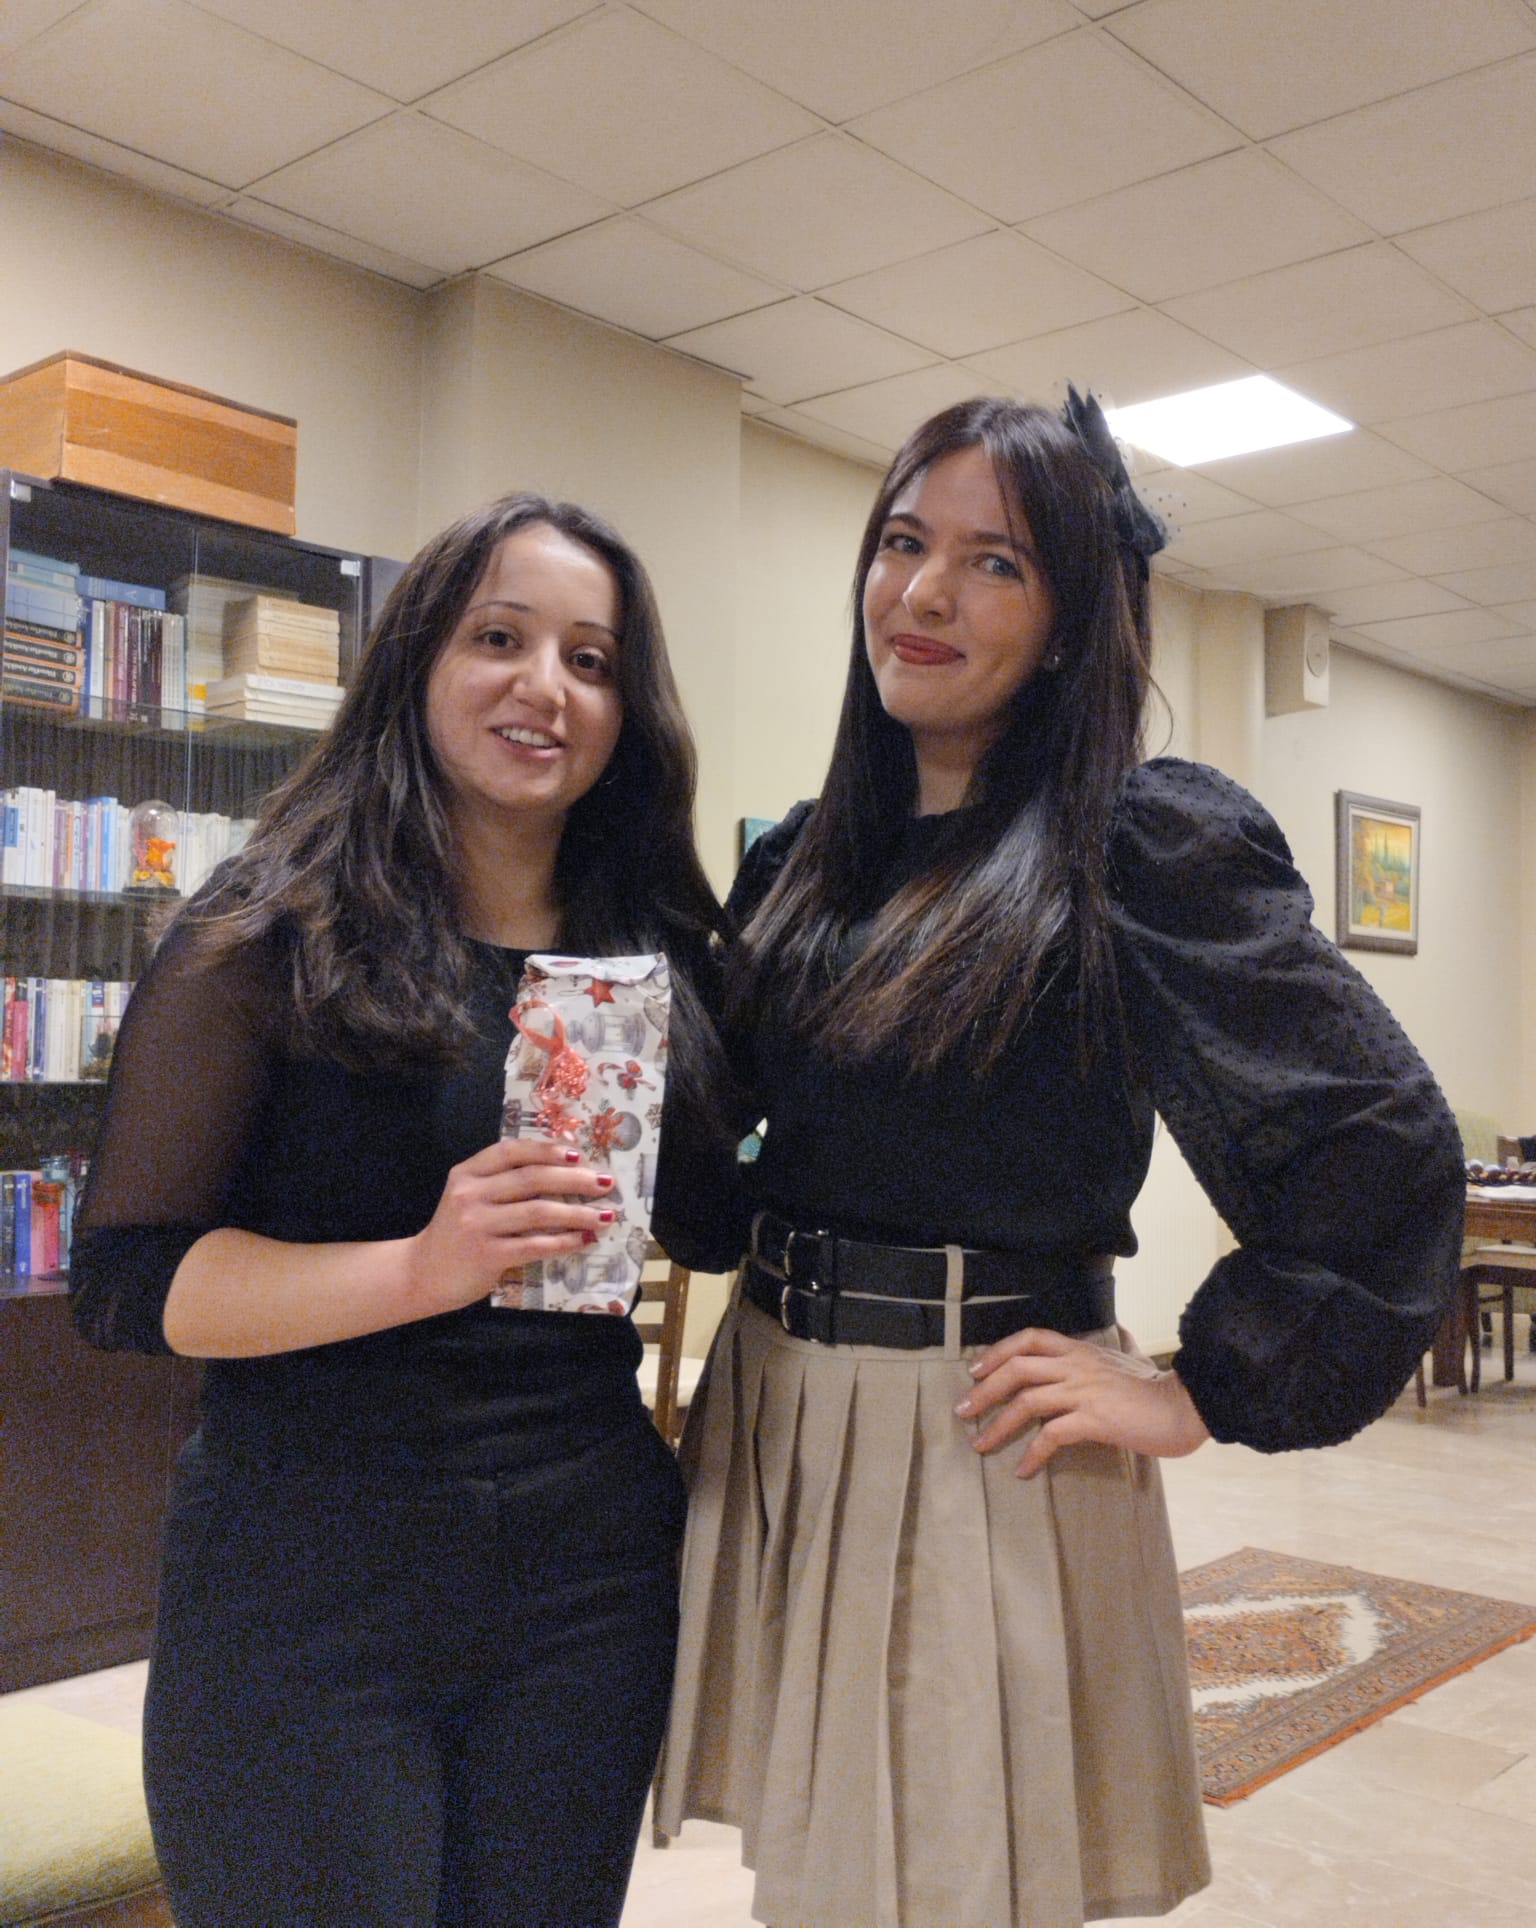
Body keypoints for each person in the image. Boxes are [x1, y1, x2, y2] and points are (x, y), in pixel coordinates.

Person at [653, 393, 1464, 1928]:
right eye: (904, 542)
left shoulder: (1135, 847)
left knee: (949, 1890)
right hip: (779, 1411)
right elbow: (730, 1157)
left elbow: (1383, 1140)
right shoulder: (804, 858)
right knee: (821, 1878)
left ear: (1074, 621)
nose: (924, 593)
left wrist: (1200, 1390)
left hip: (979, 1428)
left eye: (996, 563)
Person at [70, 493, 731, 1928]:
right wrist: (423, 1267)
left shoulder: (652, 958)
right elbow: (128, 1282)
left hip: (588, 1579)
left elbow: (722, 1222)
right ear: (418, 662)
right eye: (499, 638)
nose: (545, 686)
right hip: (307, 1569)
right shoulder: (265, 932)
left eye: (592, 660)